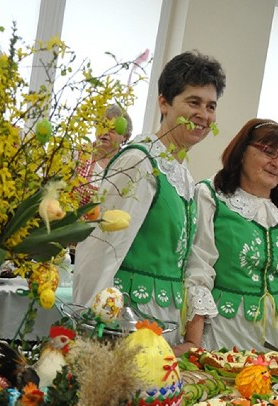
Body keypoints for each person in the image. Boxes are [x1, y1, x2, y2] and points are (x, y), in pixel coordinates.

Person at [72, 51, 226, 345]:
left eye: (211, 106)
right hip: (123, 323)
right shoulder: (139, 162)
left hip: (161, 326)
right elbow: (100, 251)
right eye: (193, 102)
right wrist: (89, 332)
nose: (204, 115)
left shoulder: (181, 172)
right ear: (164, 102)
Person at [180, 119, 278, 353]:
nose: (277, 164)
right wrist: (192, 345)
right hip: (225, 332)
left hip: (277, 338)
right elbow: (198, 269)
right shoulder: (211, 197)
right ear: (241, 152)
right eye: (269, 152)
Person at [73, 104, 133, 206]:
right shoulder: (78, 154)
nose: (105, 132)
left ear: (125, 136)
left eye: (112, 129)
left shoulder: (127, 165)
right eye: (102, 126)